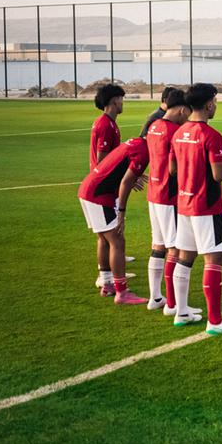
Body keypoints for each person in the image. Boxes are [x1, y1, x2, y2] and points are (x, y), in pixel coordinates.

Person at [171, 83, 222, 334]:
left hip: (184, 204)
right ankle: (215, 322)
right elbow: (219, 174)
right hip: (206, 206)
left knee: (185, 257)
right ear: (208, 104)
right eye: (215, 101)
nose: (216, 105)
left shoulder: (179, 132)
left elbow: (171, 169)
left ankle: (181, 312)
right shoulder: (211, 135)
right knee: (214, 259)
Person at [77, 135, 151, 305]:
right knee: (117, 241)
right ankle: (121, 292)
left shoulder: (135, 143)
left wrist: (131, 177)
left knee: (104, 239)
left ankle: (107, 283)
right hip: (99, 195)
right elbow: (126, 182)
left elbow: (117, 166)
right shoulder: (144, 150)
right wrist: (122, 212)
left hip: (89, 190)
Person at [144, 89, 197, 315]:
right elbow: (178, 167)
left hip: (154, 193)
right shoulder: (175, 131)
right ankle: (173, 305)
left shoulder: (154, 126)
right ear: (183, 110)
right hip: (169, 195)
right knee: (174, 248)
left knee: (158, 246)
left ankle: (156, 297)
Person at [89, 83, 129, 291]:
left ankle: (109, 273)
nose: (123, 103)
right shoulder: (105, 125)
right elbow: (103, 161)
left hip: (104, 187)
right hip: (103, 189)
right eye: (121, 99)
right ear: (114, 100)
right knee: (113, 237)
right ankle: (107, 279)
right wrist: (126, 176)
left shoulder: (109, 123)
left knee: (107, 236)